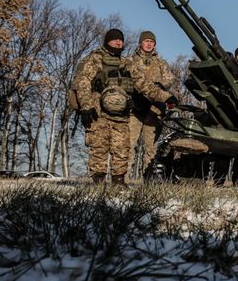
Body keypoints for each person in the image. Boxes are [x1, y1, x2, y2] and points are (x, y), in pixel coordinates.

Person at [72, 28, 176, 186]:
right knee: (99, 148)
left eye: (120, 40)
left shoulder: (126, 63)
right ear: (107, 41)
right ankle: (98, 182)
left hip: (121, 115)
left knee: (122, 149)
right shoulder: (94, 59)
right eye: (115, 40)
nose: (118, 42)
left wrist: (166, 97)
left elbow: (144, 85)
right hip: (98, 112)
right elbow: (82, 83)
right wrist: (86, 107)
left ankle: (119, 182)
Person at [126, 30, 176, 178]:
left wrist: (159, 85)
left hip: (154, 109)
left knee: (151, 147)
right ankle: (122, 178)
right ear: (140, 42)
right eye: (146, 41)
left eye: (151, 41)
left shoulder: (161, 63)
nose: (149, 44)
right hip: (135, 108)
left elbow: (169, 80)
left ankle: (148, 178)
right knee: (128, 144)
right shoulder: (130, 61)